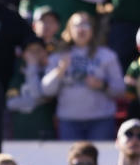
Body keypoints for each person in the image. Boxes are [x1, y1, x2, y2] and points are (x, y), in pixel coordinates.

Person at [41, 11, 125, 140]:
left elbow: (120, 90)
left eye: (86, 25)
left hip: (101, 121)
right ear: (69, 30)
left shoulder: (107, 55)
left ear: (93, 29)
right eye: (77, 25)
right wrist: (60, 70)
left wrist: (102, 85)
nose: (81, 29)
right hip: (69, 121)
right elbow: (46, 90)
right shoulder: (58, 56)